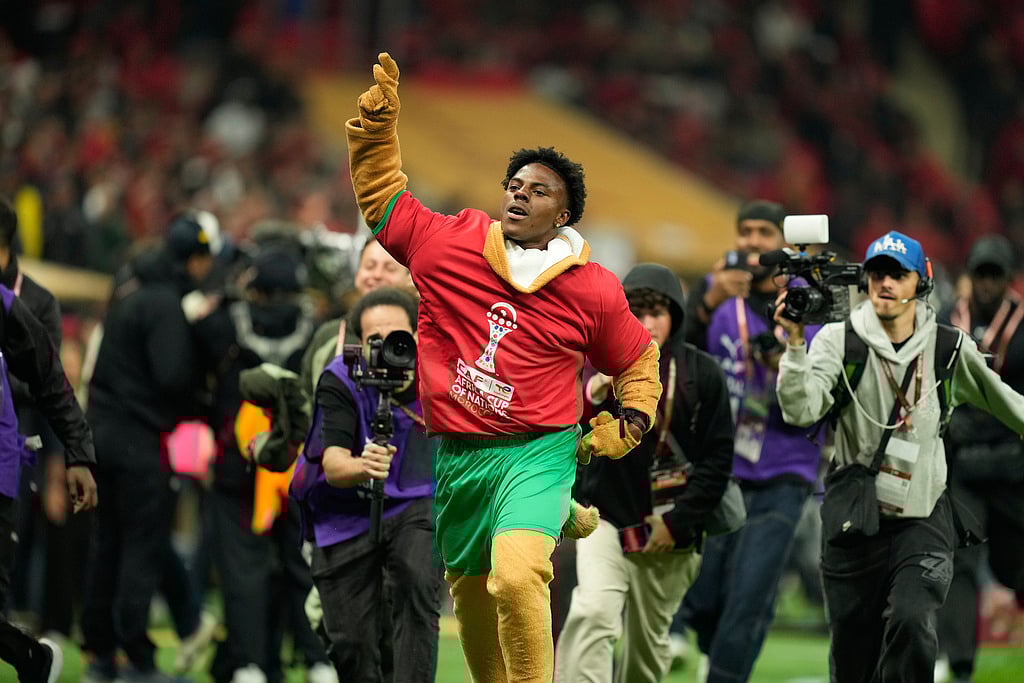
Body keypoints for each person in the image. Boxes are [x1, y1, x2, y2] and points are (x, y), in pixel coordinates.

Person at [345, 53, 661, 682]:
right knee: (474, 603)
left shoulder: (593, 288)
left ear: (563, 216)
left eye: (538, 190)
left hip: (539, 449)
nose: (519, 193)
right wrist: (377, 133)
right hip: (458, 456)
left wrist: (624, 425)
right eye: (514, 184)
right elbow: (384, 202)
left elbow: (638, 361)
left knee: (517, 575)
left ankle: (549, 513)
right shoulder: (451, 242)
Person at [774, 230, 1024, 682]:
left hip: (923, 515)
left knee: (913, 621)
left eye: (898, 274)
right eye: (877, 273)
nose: (885, 283)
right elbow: (800, 410)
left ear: (920, 284)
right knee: (854, 653)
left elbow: (1010, 406)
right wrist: (794, 345)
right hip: (856, 514)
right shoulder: (839, 339)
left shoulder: (948, 347)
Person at [554, 263, 734, 683]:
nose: (647, 323)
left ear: (676, 315)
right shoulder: (596, 364)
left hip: (671, 532)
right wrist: (591, 395)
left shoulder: (702, 373)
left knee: (645, 649)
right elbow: (563, 435)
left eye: (657, 311)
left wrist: (677, 523)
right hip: (605, 519)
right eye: (635, 311)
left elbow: (719, 459)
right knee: (592, 611)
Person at [669, 200, 823, 682]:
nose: (752, 241)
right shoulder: (718, 297)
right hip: (722, 466)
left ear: (783, 242)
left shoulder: (808, 298)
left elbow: (825, 378)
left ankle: (724, 677)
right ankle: (711, 656)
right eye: (745, 231)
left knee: (752, 590)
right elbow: (673, 358)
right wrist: (707, 302)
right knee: (707, 590)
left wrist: (790, 359)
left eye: (763, 232)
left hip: (785, 468)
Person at [191, 243, 333, 683]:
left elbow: (192, 371)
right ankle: (317, 661)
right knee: (305, 564)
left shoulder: (220, 327)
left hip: (240, 464)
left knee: (241, 570)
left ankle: (249, 663)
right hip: (304, 466)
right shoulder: (319, 331)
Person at [81, 213, 214, 683]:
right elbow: (173, 376)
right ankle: (135, 659)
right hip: (140, 444)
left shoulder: (128, 294)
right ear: (195, 262)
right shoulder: (163, 305)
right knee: (142, 549)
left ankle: (99, 655)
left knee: (107, 549)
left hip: (101, 438)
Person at [290, 286, 441, 682]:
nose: (388, 347)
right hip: (344, 510)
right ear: (359, 343)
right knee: (352, 644)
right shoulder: (341, 376)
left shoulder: (440, 373)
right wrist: (363, 465)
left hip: (415, 502)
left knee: (416, 579)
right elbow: (333, 461)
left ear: (418, 334)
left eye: (398, 337)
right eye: (375, 339)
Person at [936, 234, 1024, 683]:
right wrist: (951, 424)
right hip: (966, 466)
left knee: (1016, 566)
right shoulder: (948, 322)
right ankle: (962, 664)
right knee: (962, 561)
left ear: (1010, 279)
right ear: (970, 277)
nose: (987, 284)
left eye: (995, 275)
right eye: (980, 274)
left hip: (1014, 468)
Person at [0, 281, 98, 681]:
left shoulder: (4, 307)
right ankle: (31, 657)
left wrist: (77, 450)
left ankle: (31, 656)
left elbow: (47, 372)